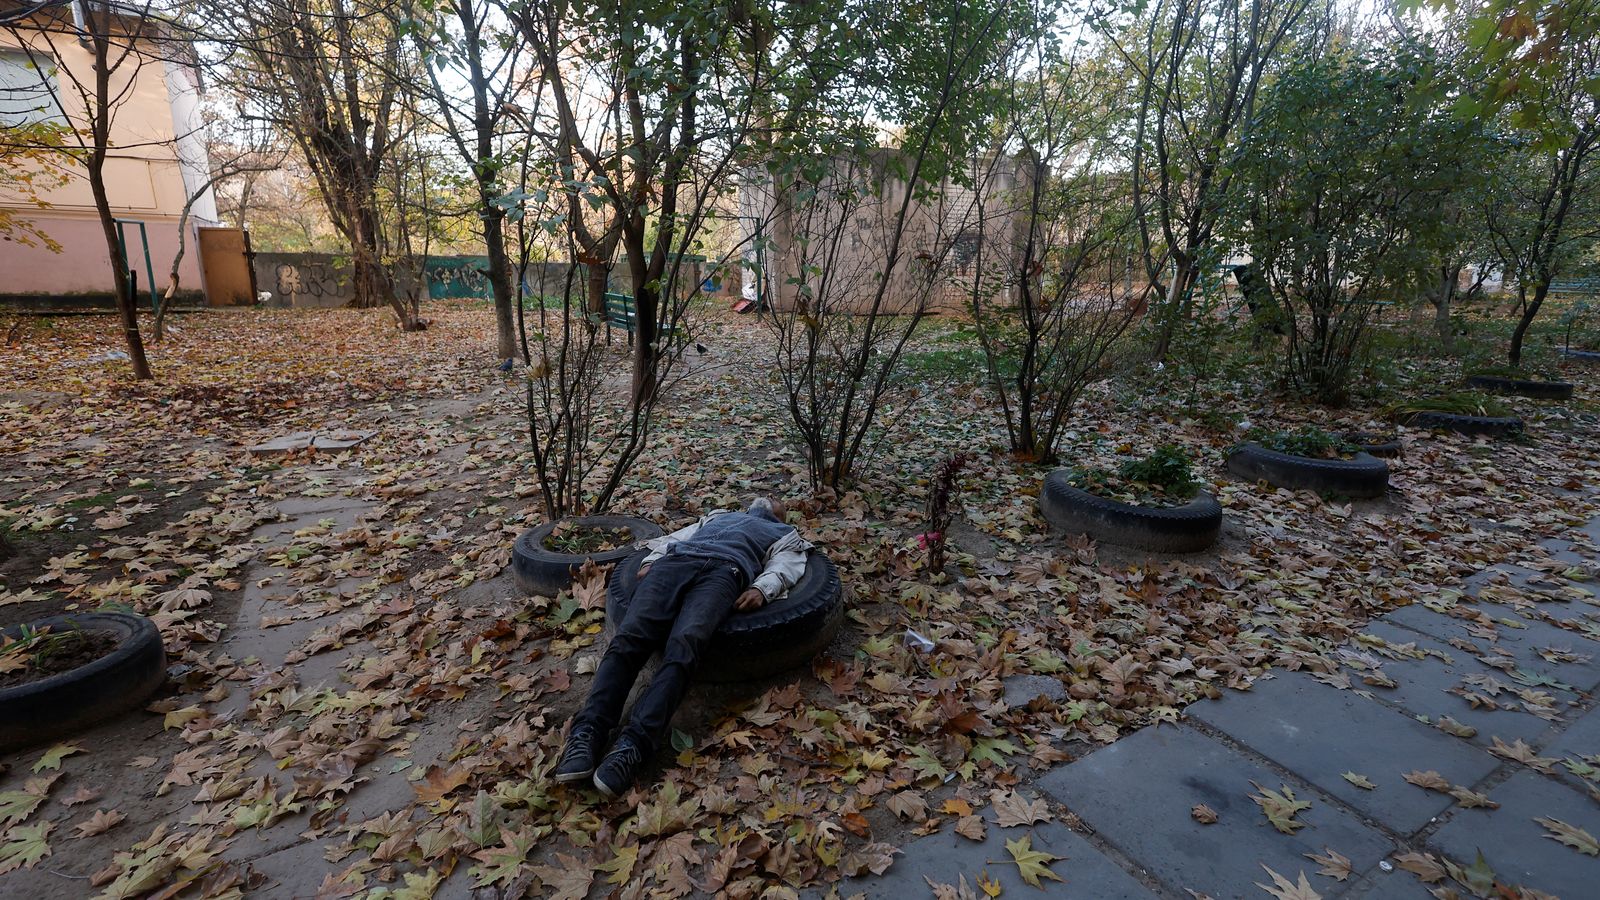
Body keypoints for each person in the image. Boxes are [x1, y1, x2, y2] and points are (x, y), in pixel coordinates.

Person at [551, 497, 811, 796]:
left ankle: (633, 744)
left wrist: (762, 588)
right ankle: (588, 732)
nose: (769, 502)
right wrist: (651, 560)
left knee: (686, 644)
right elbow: (679, 536)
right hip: (675, 562)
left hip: (725, 573)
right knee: (630, 637)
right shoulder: (717, 516)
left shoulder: (785, 534)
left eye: (777, 504)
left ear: (782, 516)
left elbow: (787, 564)